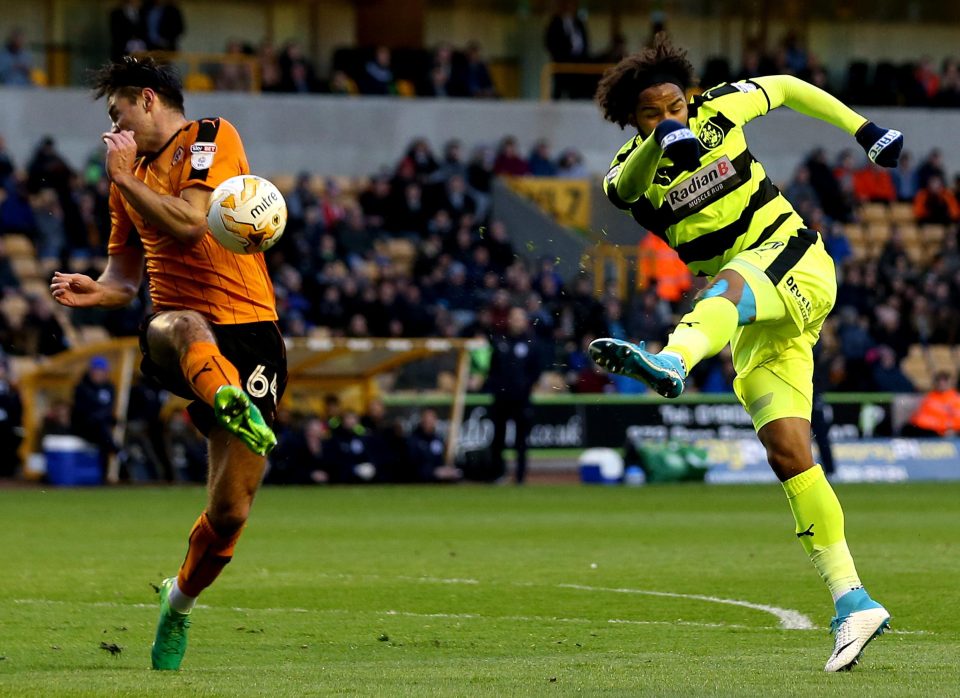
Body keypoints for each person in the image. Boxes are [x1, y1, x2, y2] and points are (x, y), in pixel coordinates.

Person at [589, 38, 903, 672]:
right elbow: (624, 189)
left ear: (690, 93)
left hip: (795, 260)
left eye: (676, 102)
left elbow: (786, 86)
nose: (673, 114)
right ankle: (853, 600)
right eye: (653, 112)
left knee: (728, 283)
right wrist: (663, 138)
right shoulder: (629, 169)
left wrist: (863, 128)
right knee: (789, 452)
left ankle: (674, 361)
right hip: (756, 317)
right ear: (633, 120)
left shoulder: (718, 109)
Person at [49, 56, 286, 671]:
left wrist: (125, 179)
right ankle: (227, 400)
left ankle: (176, 603)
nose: (112, 129)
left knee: (231, 510)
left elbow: (188, 223)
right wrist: (96, 291)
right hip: (175, 330)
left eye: (117, 112)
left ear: (147, 99)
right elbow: (126, 278)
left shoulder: (210, 136)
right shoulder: (124, 180)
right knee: (185, 324)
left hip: (253, 332)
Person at [485, 306, 543, 483]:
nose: (517, 321)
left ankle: (520, 477)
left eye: (520, 318)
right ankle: (497, 474)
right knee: (498, 438)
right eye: (514, 318)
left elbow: (536, 371)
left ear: (524, 321)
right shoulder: (499, 341)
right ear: (509, 320)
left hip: (522, 399)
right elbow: (493, 368)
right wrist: (497, 386)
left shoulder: (531, 343)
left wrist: (525, 386)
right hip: (501, 398)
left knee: (521, 440)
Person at [902, 371, 960, 437]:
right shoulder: (930, 396)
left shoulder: (956, 399)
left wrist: (947, 427)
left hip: (938, 430)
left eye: (944, 381)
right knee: (906, 429)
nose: (941, 383)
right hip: (922, 427)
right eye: (939, 381)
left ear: (950, 383)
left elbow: (957, 419)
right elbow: (921, 414)